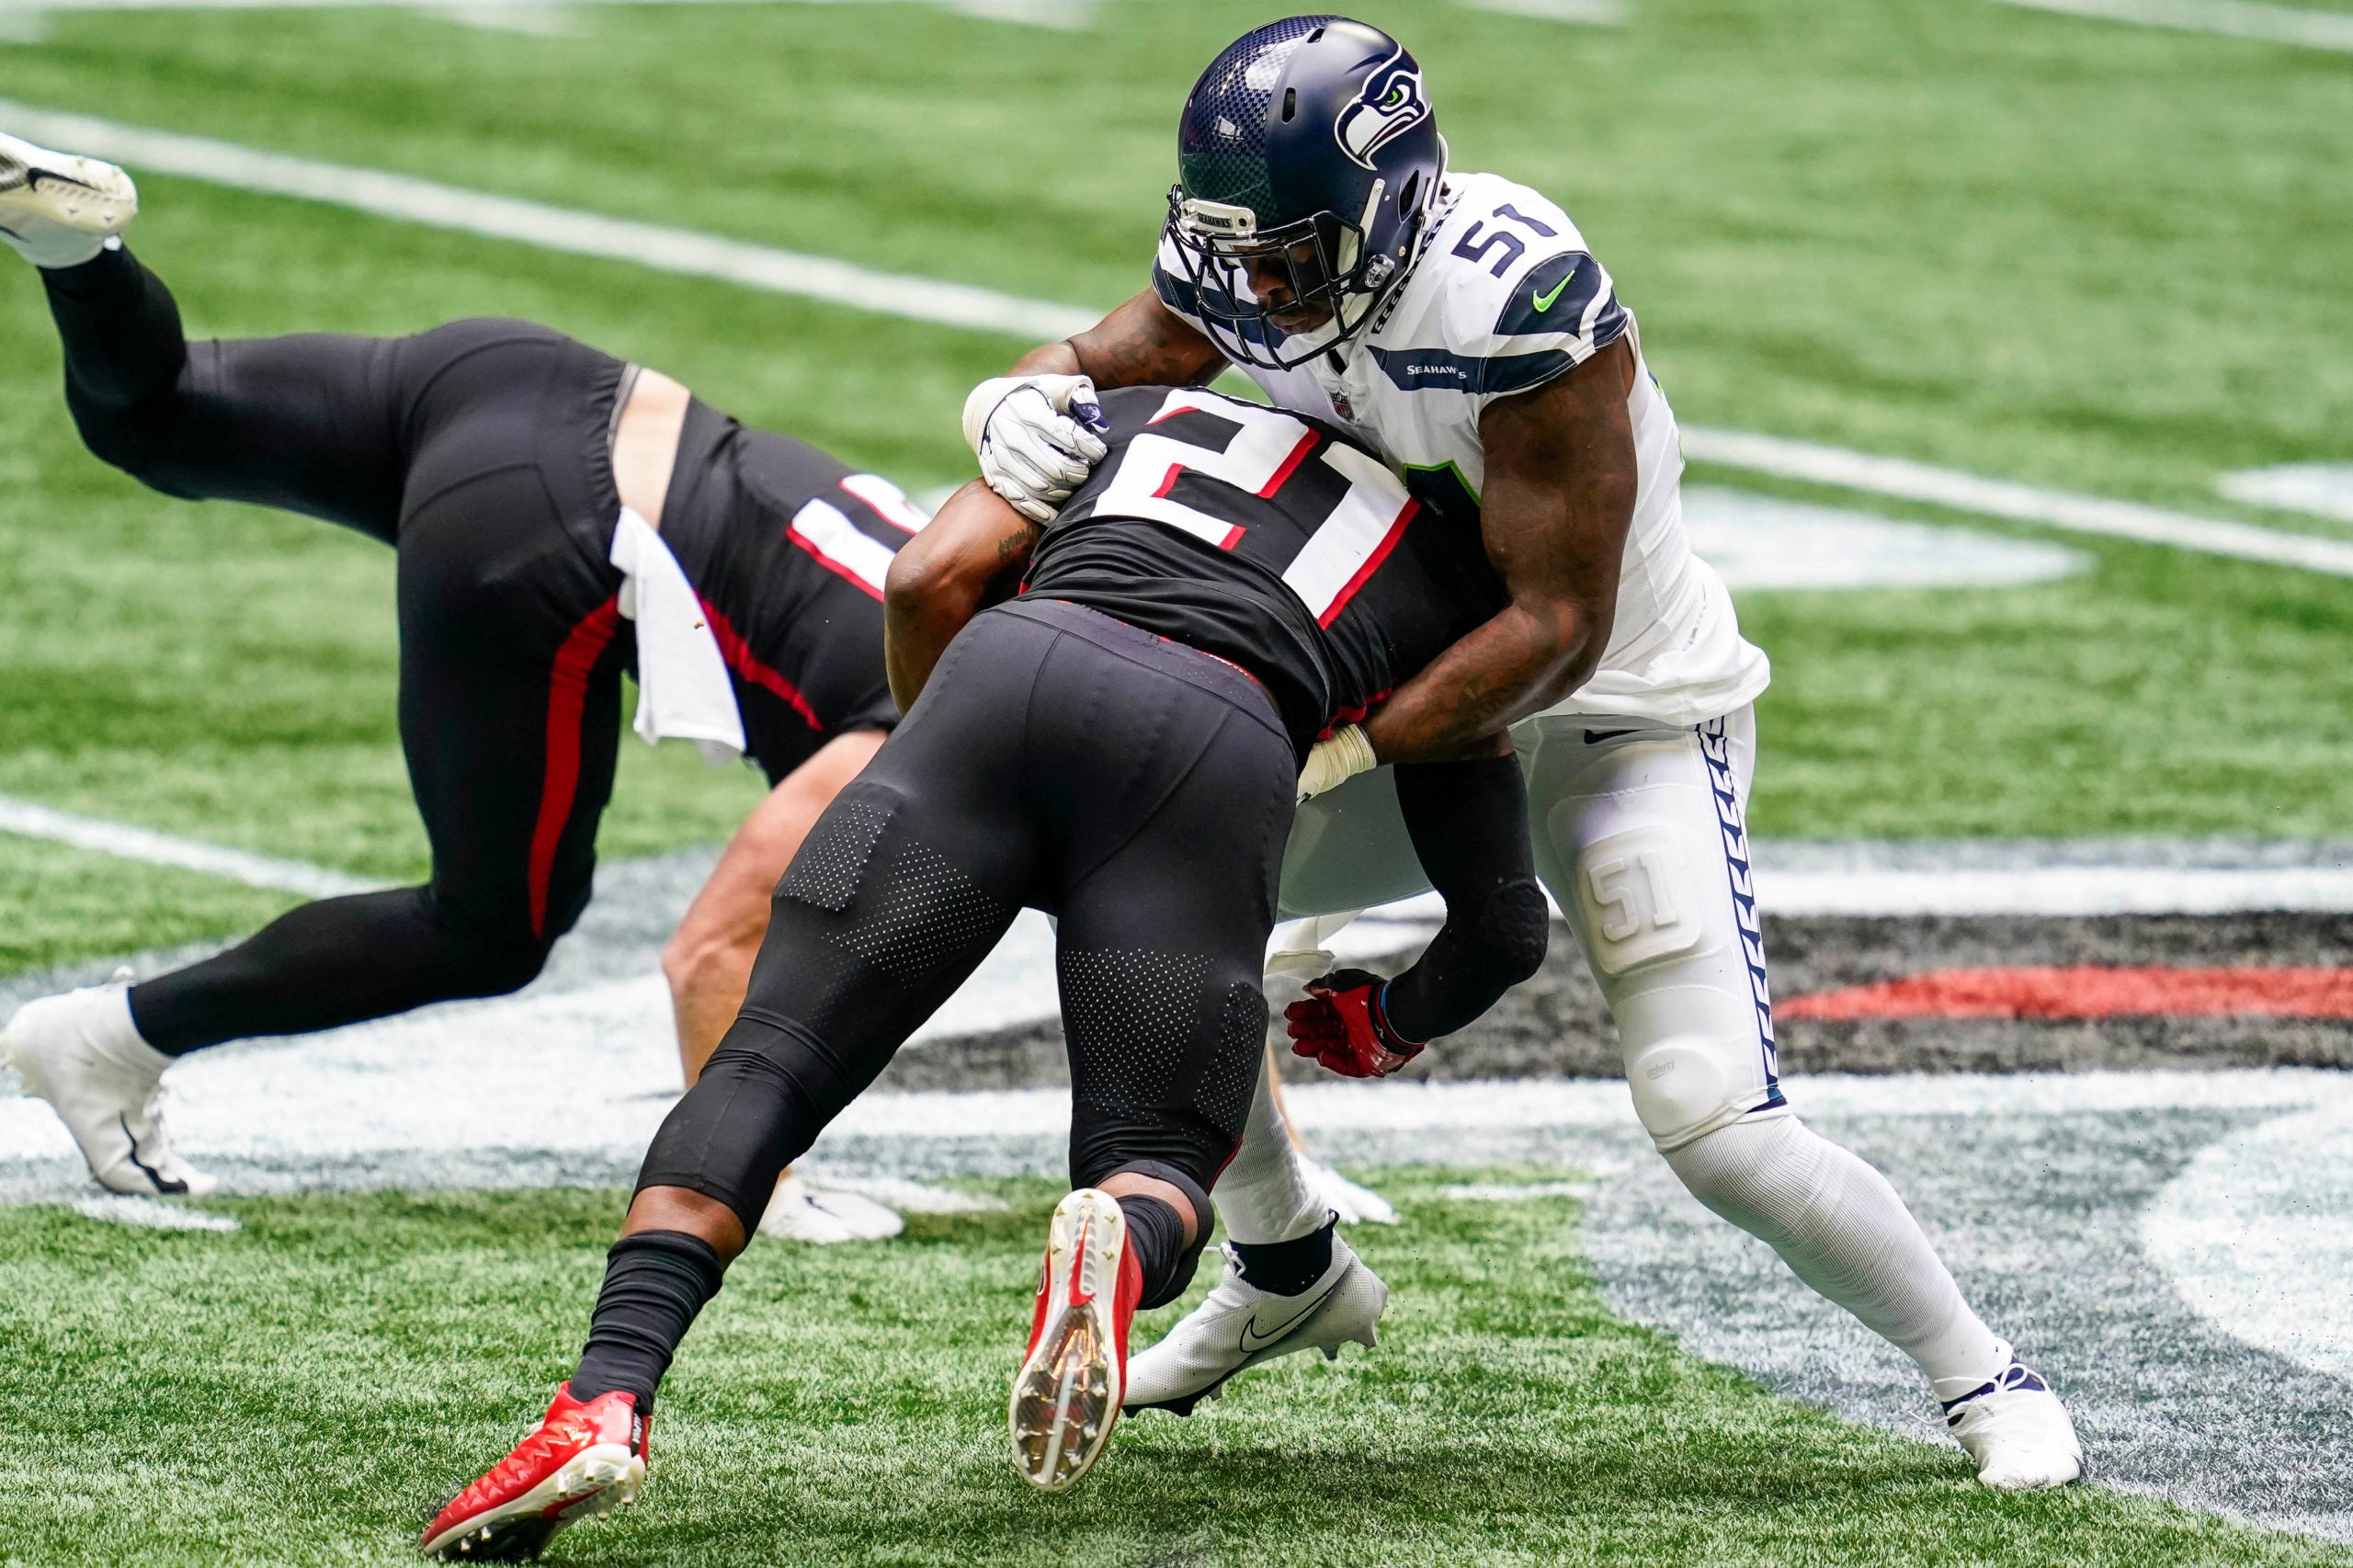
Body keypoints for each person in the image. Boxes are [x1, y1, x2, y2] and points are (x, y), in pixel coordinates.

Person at [961, 16, 2082, 1489]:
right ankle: (1286, 1263)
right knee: (1150, 911)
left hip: (1620, 712)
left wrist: (1330, 749)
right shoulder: (1256, 261)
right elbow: (1100, 355)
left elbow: (1556, 626)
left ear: (1392, 202)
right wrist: (1015, 398)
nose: (1265, 291)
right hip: (1411, 710)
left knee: (1711, 1113)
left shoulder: (1518, 294)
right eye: (1244, 256)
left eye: (1296, 253)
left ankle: (1984, 1374)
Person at [421, 381, 1551, 1557]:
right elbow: (1503, 924)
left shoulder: (1146, 409)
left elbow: (924, 576)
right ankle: (1114, 1245)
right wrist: (1389, 1014)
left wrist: (949, 774)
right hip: (1213, 731)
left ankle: (602, 1394)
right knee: (1156, 1159)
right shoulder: (1454, 559)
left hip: (998, 682)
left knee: (764, 1065)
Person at [0, 131, 910, 1239]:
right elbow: (712, 952)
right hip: (551, 527)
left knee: (157, 415)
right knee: (494, 926)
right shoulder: (940, 718)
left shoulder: (1038, 590)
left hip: (524, 378)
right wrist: (755, 1181)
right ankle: (110, 1037)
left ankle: (76, 253)